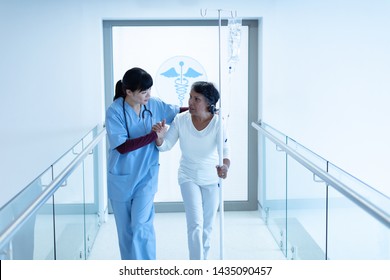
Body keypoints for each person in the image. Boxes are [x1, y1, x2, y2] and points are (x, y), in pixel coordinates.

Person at [105, 67, 187, 260]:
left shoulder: (154, 104)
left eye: (149, 90)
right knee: (125, 232)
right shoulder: (115, 111)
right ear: (129, 92)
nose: (148, 94)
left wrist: (204, 108)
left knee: (141, 225)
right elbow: (122, 147)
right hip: (121, 178)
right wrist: (153, 136)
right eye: (143, 91)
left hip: (146, 177)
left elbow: (177, 112)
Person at [154, 81, 231, 260]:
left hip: (212, 179)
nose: (190, 102)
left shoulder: (219, 123)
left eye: (196, 99)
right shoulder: (181, 120)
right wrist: (158, 139)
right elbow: (165, 146)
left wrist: (225, 167)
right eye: (190, 97)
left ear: (208, 103)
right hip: (188, 176)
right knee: (195, 224)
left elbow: (225, 152)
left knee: (207, 227)